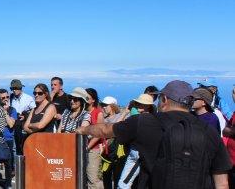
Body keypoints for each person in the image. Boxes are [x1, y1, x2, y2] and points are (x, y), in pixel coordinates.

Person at [77, 80, 231, 189]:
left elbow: (105, 130)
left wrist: (83, 130)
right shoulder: (209, 131)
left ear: (164, 99)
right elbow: (222, 183)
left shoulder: (145, 122)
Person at [85, 87, 105, 189]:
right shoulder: (83, 112)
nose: (84, 99)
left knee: (93, 179)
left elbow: (99, 134)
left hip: (93, 149)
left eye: (87, 97)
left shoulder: (98, 113)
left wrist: (87, 147)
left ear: (93, 100)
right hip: (83, 148)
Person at [9, 79, 35, 155]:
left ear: (20, 88)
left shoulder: (28, 98)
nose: (14, 90)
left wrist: (25, 116)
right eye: (12, 88)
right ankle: (16, 165)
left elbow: (34, 110)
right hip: (14, 126)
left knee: (23, 147)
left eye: (16, 88)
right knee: (15, 148)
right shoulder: (10, 98)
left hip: (24, 127)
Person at [0, 89, 17, 188]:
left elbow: (11, 124)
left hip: (8, 139)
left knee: (8, 163)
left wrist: (5, 112)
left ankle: (8, 184)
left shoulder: (12, 110)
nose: (6, 99)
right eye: (3, 98)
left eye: (7, 97)